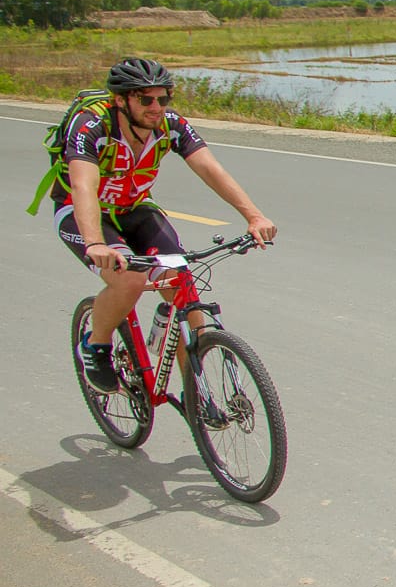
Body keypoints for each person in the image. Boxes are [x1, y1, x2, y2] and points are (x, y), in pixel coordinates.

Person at [52, 58, 276, 394]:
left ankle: (197, 390)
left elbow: (210, 169)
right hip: (83, 212)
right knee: (129, 280)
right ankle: (95, 346)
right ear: (121, 100)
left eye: (163, 99)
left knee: (182, 281)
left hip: (135, 207)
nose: (156, 108)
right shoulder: (92, 127)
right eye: (146, 100)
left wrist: (254, 216)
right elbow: (83, 186)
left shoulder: (170, 125)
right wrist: (96, 243)